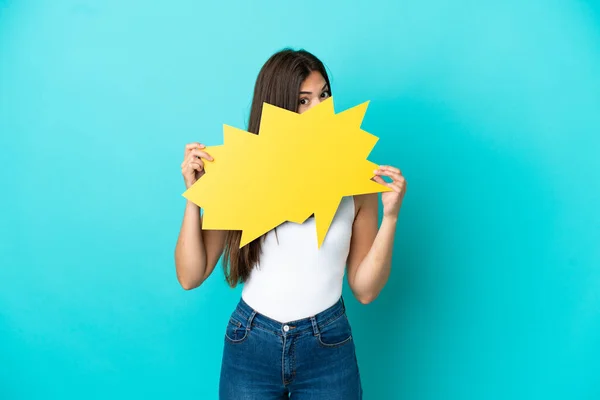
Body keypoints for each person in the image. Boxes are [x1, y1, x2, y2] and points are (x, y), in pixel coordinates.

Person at [175, 48, 407, 399]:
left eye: (324, 96)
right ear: (279, 105)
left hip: (328, 343)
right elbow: (190, 276)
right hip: (251, 342)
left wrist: (390, 217)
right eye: (304, 100)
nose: (319, 109)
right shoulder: (241, 174)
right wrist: (196, 196)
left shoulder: (356, 183)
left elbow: (365, 289)